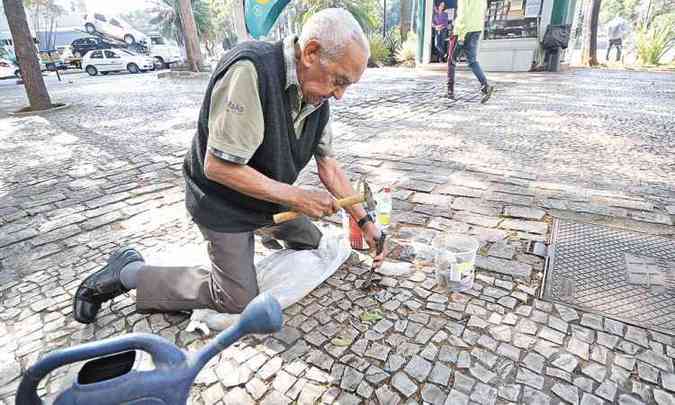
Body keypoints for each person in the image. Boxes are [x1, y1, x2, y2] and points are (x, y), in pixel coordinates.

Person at [72, 8, 386, 324]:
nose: (340, 95)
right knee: (236, 298)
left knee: (315, 247)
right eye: (339, 81)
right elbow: (218, 167)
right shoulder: (251, 69)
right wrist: (296, 196)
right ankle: (127, 273)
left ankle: (261, 230)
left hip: (268, 199)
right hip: (221, 202)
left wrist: (365, 222)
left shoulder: (318, 97)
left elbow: (328, 167)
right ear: (311, 53)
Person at [447, 0, 494, 103]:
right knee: (472, 61)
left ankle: (450, 91)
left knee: (451, 61)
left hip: (462, 31)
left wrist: (461, 36)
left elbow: (463, 14)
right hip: (476, 29)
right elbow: (483, 12)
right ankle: (485, 86)